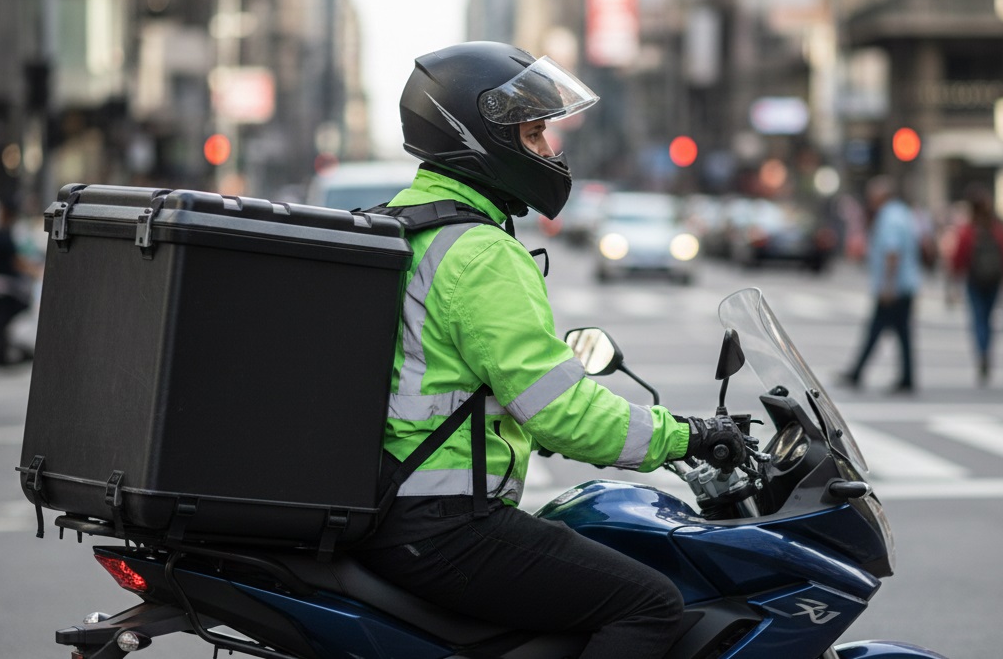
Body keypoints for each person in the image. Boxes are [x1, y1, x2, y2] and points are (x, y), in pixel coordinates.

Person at [354, 41, 747, 659]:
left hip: (396, 510)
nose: (549, 149)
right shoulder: (481, 253)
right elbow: (561, 412)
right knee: (651, 603)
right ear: (478, 135)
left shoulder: (405, 223)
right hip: (445, 525)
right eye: (534, 133)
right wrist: (688, 436)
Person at [839, 175, 922, 393]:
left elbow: (892, 253)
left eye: (872, 196)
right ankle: (905, 377)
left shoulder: (889, 217)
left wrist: (888, 286)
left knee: (876, 330)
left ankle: (857, 373)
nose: (870, 201)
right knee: (900, 333)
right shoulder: (903, 213)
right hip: (904, 286)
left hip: (894, 288)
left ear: (881, 196)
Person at [947, 184, 1003, 384]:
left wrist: (953, 281)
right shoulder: (996, 228)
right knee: (987, 318)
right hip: (993, 280)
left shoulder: (969, 230)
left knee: (979, 318)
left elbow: (958, 257)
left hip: (975, 280)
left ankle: (982, 351)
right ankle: (986, 350)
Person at [0, 198, 40, 367]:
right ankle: (3, 353)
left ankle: (4, 352)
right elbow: (15, 261)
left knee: (1, 321)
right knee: (3, 319)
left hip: (5, 284)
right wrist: (35, 271)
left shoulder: (4, 233)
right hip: (6, 286)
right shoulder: (4, 235)